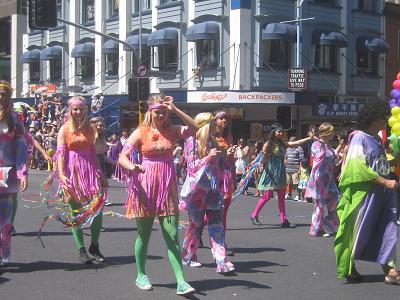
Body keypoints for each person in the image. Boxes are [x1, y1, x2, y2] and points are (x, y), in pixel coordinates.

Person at [118, 94, 197, 295]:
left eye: (163, 111)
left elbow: (194, 128)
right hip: (145, 188)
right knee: (143, 235)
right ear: (150, 112)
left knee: (171, 235)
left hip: (168, 188)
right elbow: (122, 157)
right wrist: (133, 167)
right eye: (157, 111)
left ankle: (181, 281)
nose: (161, 115)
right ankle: (141, 274)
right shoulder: (141, 132)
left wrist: (176, 109)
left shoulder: (173, 131)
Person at [334, 103, 400, 285]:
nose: (386, 121)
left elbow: (381, 165)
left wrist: (396, 159)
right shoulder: (359, 138)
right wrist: (386, 181)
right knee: (355, 233)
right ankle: (349, 268)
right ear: (374, 119)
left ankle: (391, 270)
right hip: (364, 196)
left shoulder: (376, 140)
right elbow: (358, 167)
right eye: (383, 117)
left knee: (388, 229)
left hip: (382, 195)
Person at [180, 112, 235, 274]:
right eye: (211, 124)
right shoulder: (191, 142)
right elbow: (191, 167)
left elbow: (221, 165)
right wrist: (208, 158)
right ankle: (188, 255)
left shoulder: (214, 142)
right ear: (204, 126)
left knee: (216, 226)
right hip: (197, 191)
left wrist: (227, 157)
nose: (215, 127)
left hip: (213, 190)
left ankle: (222, 261)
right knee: (196, 225)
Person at [56, 96, 106, 264]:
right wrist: (62, 175)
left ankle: (94, 245)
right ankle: (81, 249)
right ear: (70, 110)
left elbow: (93, 152)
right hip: (72, 173)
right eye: (75, 109)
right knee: (75, 212)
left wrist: (100, 174)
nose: (78, 112)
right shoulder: (64, 129)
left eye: (81, 109)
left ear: (86, 110)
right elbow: (61, 154)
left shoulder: (90, 129)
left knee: (97, 209)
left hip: (90, 172)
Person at [250, 124, 314, 227]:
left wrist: (309, 138)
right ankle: (254, 215)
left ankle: (283, 220)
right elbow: (263, 158)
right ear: (273, 132)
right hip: (270, 173)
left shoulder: (282, 144)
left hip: (280, 173)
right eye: (278, 131)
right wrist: (258, 165)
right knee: (267, 196)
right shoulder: (268, 144)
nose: (280, 133)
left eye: (281, 131)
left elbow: (296, 143)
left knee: (281, 197)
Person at [0, 80, 28, 267]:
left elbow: (21, 146)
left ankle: (4, 253)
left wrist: (22, 171)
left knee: (4, 219)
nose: (1, 97)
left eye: (4, 94)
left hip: (5, 172)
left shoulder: (14, 119)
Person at [305, 123, 344, 237]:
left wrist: (341, 146)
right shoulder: (316, 144)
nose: (333, 133)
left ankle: (327, 224)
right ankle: (316, 229)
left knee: (334, 202)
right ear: (327, 133)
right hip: (319, 180)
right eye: (332, 131)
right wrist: (319, 140)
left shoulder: (328, 146)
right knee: (320, 205)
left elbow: (335, 158)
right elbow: (319, 156)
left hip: (329, 179)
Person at [213, 110, 237, 256]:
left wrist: (233, 175)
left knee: (223, 211)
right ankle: (198, 233)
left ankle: (221, 241)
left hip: (226, 174)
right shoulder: (210, 136)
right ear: (215, 120)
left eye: (226, 118)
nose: (224, 120)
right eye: (221, 118)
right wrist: (223, 153)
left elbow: (231, 159)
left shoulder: (229, 136)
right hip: (214, 175)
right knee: (209, 210)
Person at [285, 136, 304, 201]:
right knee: (288, 182)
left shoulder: (299, 149)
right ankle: (289, 194)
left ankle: (298, 195)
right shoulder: (287, 148)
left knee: (296, 183)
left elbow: (301, 159)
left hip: (295, 168)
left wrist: (300, 169)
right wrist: (284, 165)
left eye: (291, 141)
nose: (290, 142)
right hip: (288, 168)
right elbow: (285, 157)